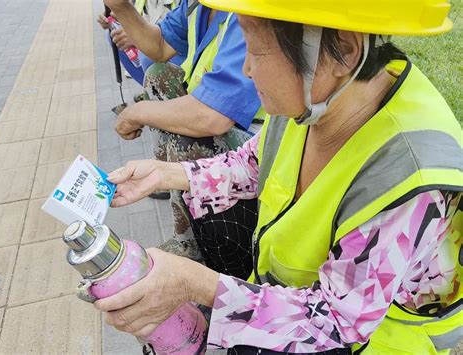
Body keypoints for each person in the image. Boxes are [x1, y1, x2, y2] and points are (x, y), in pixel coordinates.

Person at [95, 0, 463, 354]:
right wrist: (165, 174)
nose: (246, 70)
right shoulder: (318, 98)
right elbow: (252, 164)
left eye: (256, 49)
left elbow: (337, 324)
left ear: (343, 51)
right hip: (300, 299)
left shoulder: (409, 178)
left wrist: (198, 283)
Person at [104, 0, 264, 261]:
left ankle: (198, 250)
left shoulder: (247, 10)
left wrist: (137, 112)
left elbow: (213, 117)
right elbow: (158, 47)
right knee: (161, 75)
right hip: (221, 121)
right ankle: (184, 222)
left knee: (188, 129)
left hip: (255, 136)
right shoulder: (198, 5)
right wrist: (120, 6)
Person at [97, 0, 184, 87]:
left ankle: (166, 93)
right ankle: (150, 89)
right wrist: (115, 13)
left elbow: (174, 32)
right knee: (113, 36)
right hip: (159, 36)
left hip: (181, 49)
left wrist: (136, 36)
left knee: (146, 58)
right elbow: (132, 10)